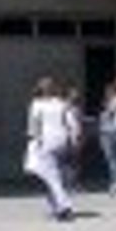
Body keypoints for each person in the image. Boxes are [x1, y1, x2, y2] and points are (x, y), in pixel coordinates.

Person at [23, 77, 79, 221]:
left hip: (46, 142)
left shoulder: (36, 104)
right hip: (61, 142)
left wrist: (35, 141)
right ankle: (57, 207)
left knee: (50, 177)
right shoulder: (61, 103)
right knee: (53, 176)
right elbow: (72, 123)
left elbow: (34, 125)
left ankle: (64, 207)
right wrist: (73, 140)